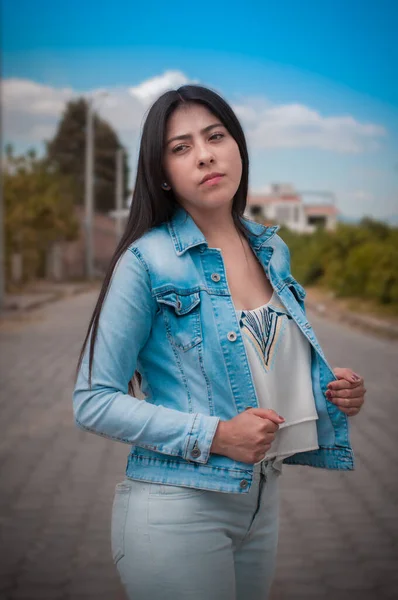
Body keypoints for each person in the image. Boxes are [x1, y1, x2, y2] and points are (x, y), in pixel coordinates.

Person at [73, 84, 366, 600]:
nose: (205, 154)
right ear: (162, 172)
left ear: (238, 147)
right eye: (181, 147)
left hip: (260, 503)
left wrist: (329, 388)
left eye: (215, 136)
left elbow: (253, 366)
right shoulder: (146, 262)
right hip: (177, 511)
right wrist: (215, 435)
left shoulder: (272, 248)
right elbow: (93, 400)